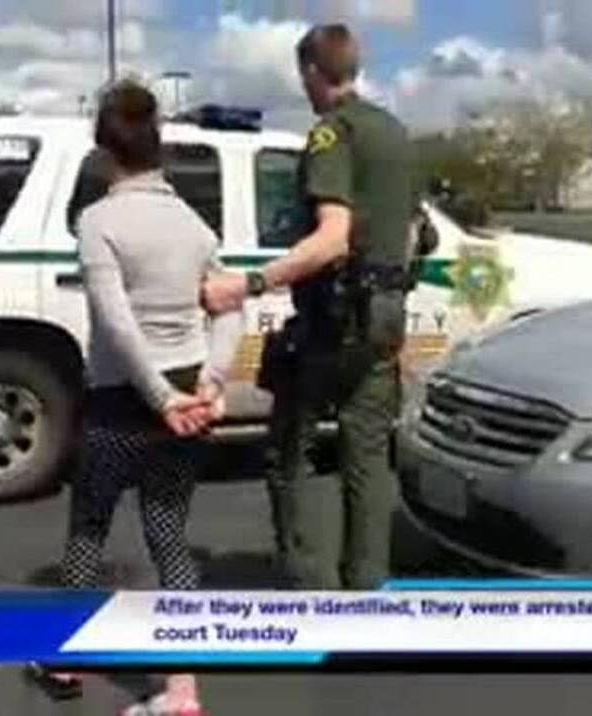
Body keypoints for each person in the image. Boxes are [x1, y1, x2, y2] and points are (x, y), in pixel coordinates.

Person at [28, 80, 240, 716]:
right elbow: (229, 304)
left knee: (90, 529)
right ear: (159, 147)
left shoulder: (97, 222)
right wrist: (210, 383)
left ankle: (68, 661)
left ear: (104, 150)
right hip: (188, 394)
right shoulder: (195, 226)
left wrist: (156, 396)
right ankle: (182, 693)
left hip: (122, 402)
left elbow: (116, 323)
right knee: (170, 536)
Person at [203, 24, 417, 590]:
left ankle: (306, 584)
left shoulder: (333, 134)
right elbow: (417, 232)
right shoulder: (394, 132)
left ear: (312, 73)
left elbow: (331, 239)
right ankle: (365, 589)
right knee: (366, 455)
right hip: (385, 316)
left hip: (334, 318)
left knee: (290, 450)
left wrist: (247, 285)